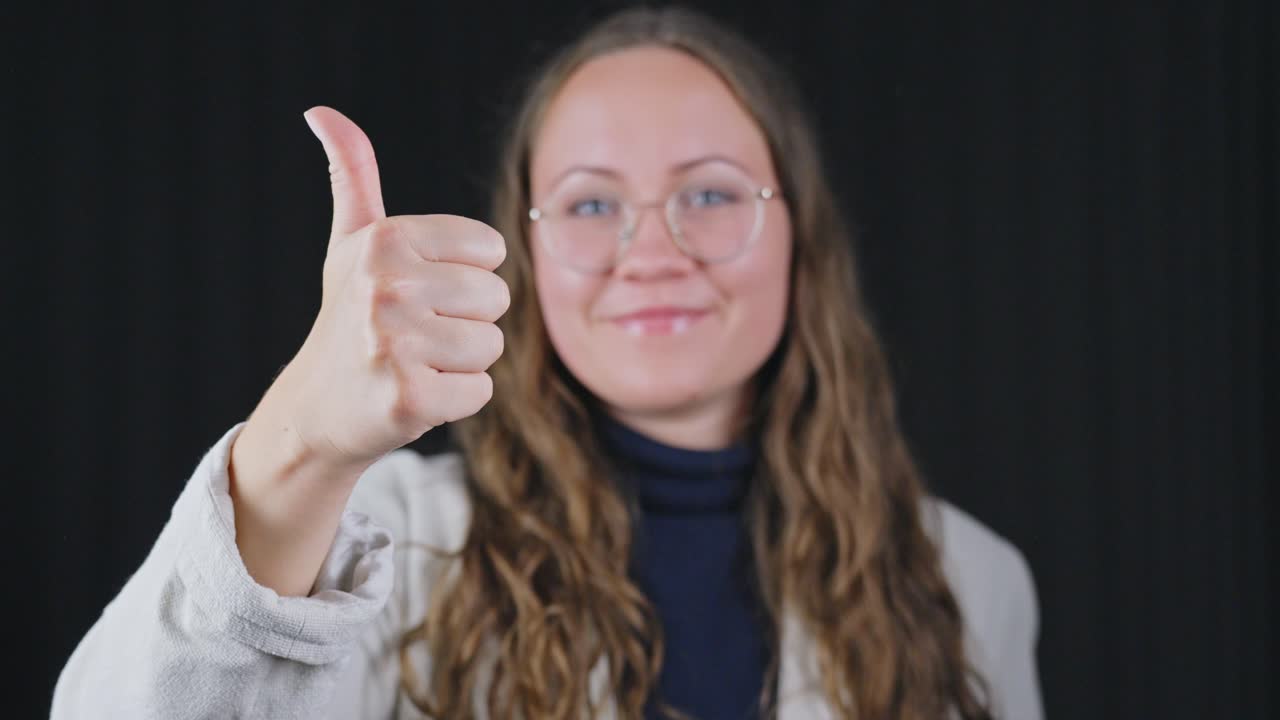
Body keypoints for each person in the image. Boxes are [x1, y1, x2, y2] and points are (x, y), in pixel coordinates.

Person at [52, 6, 1042, 719]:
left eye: (708, 194)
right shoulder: (383, 542)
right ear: (526, 253)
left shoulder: (971, 582)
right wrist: (302, 440)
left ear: (801, 236)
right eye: (589, 203)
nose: (650, 251)